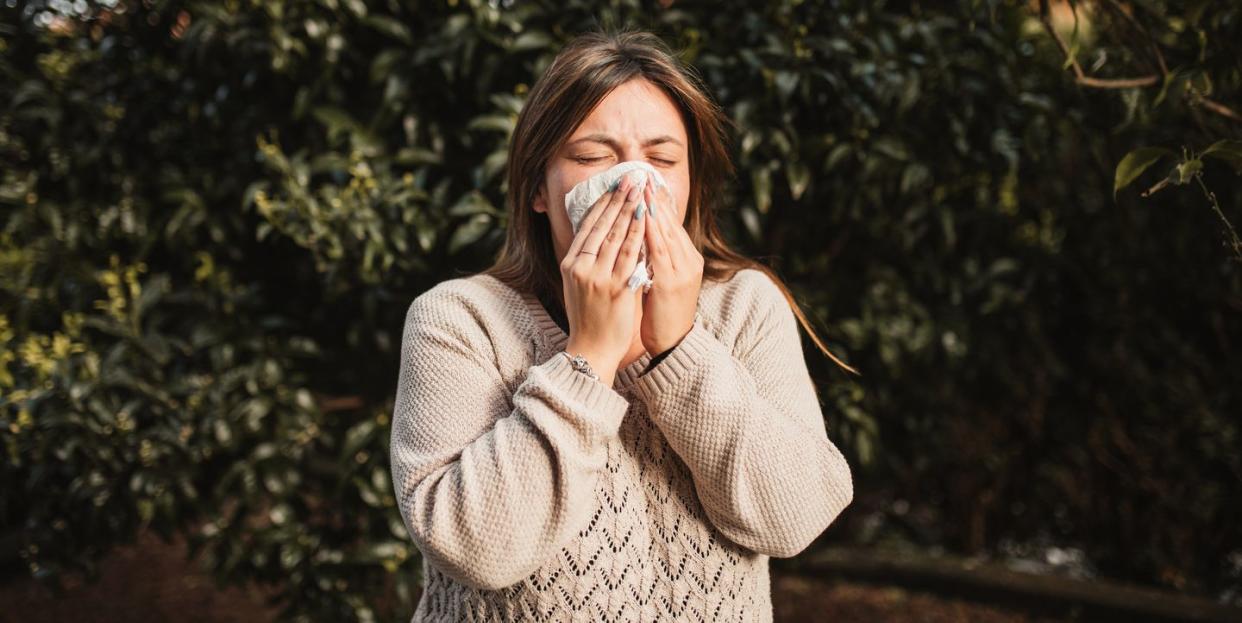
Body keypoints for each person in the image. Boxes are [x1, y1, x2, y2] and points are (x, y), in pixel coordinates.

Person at [390, 27, 855, 623]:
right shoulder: (459, 319)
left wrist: (679, 351)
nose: (634, 184)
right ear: (538, 186)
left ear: (688, 186)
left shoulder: (745, 307)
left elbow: (794, 519)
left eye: (662, 160)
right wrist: (588, 358)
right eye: (591, 157)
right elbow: (477, 548)